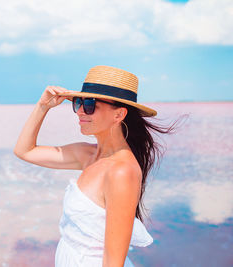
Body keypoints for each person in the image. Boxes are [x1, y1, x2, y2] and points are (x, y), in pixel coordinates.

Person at [14, 65, 180, 267]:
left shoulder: (121, 171)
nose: (80, 112)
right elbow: (25, 151)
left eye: (90, 104)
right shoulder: (87, 154)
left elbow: (113, 262)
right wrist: (42, 106)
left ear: (118, 115)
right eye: (78, 102)